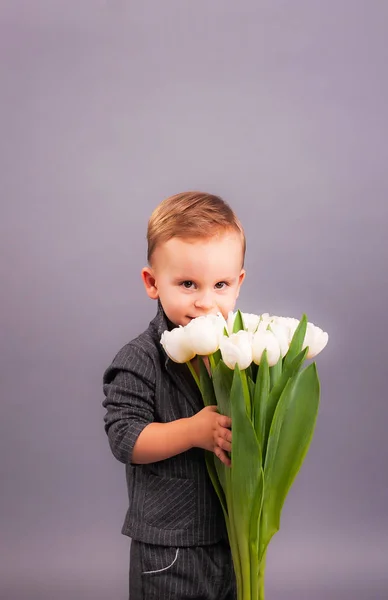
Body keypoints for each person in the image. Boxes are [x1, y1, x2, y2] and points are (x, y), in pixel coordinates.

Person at [102, 191, 246, 599]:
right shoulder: (139, 358)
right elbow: (125, 439)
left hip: (229, 534)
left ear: (238, 283)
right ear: (152, 283)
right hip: (169, 547)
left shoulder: (239, 351)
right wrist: (193, 431)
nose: (205, 302)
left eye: (220, 285)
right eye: (187, 284)